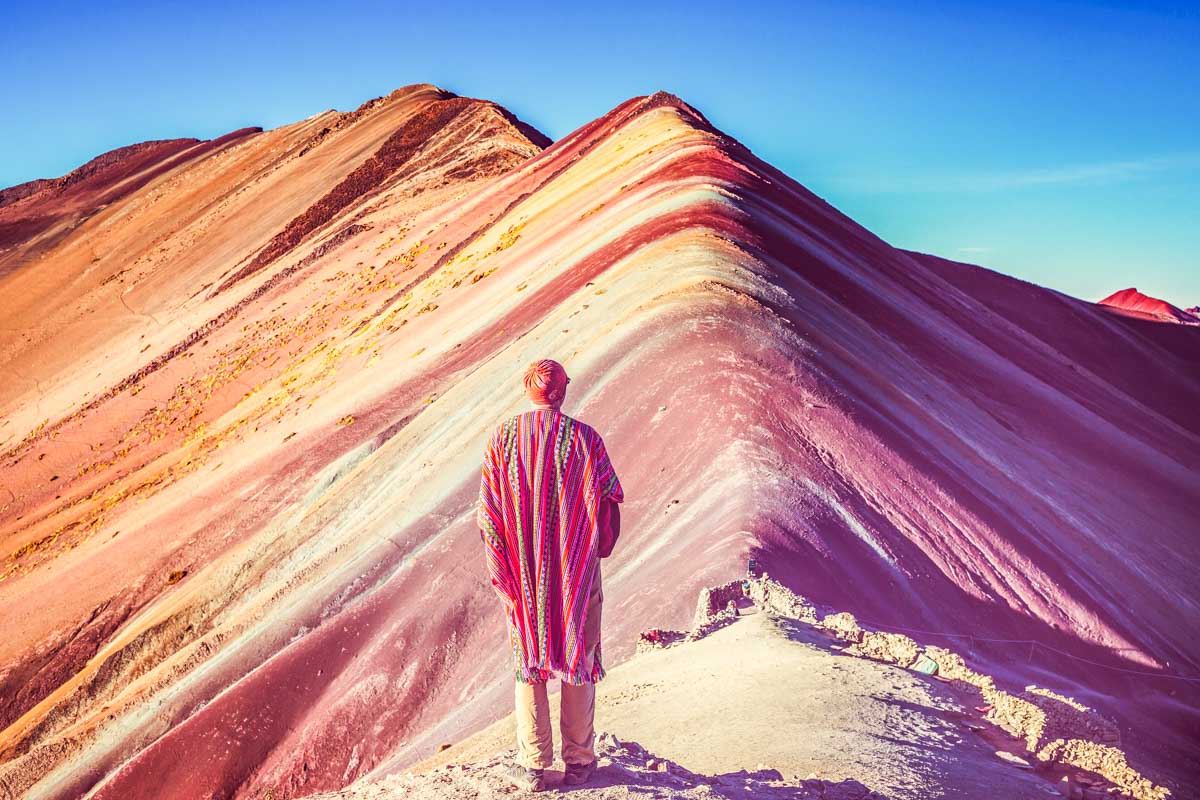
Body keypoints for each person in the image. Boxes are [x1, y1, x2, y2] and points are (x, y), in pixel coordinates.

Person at [476, 359, 624, 792]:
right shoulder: (585, 440)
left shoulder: (502, 439)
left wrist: (506, 558)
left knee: (529, 662)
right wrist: (590, 545)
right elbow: (610, 499)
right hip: (576, 575)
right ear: (562, 391)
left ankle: (534, 766)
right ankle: (579, 762)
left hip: (523, 575)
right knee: (579, 656)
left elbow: (488, 514)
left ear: (528, 390)